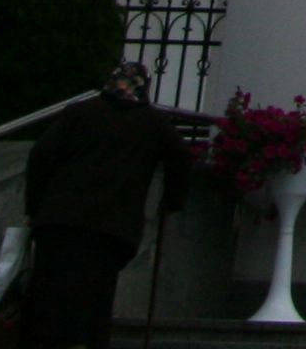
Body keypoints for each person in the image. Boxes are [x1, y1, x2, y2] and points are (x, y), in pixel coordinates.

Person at [16, 63, 189, 349]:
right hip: (110, 229)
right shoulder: (153, 123)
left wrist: (35, 207)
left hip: (59, 222)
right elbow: (181, 158)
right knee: (94, 301)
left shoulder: (79, 113)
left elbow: (41, 155)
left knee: (47, 297)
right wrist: (171, 201)